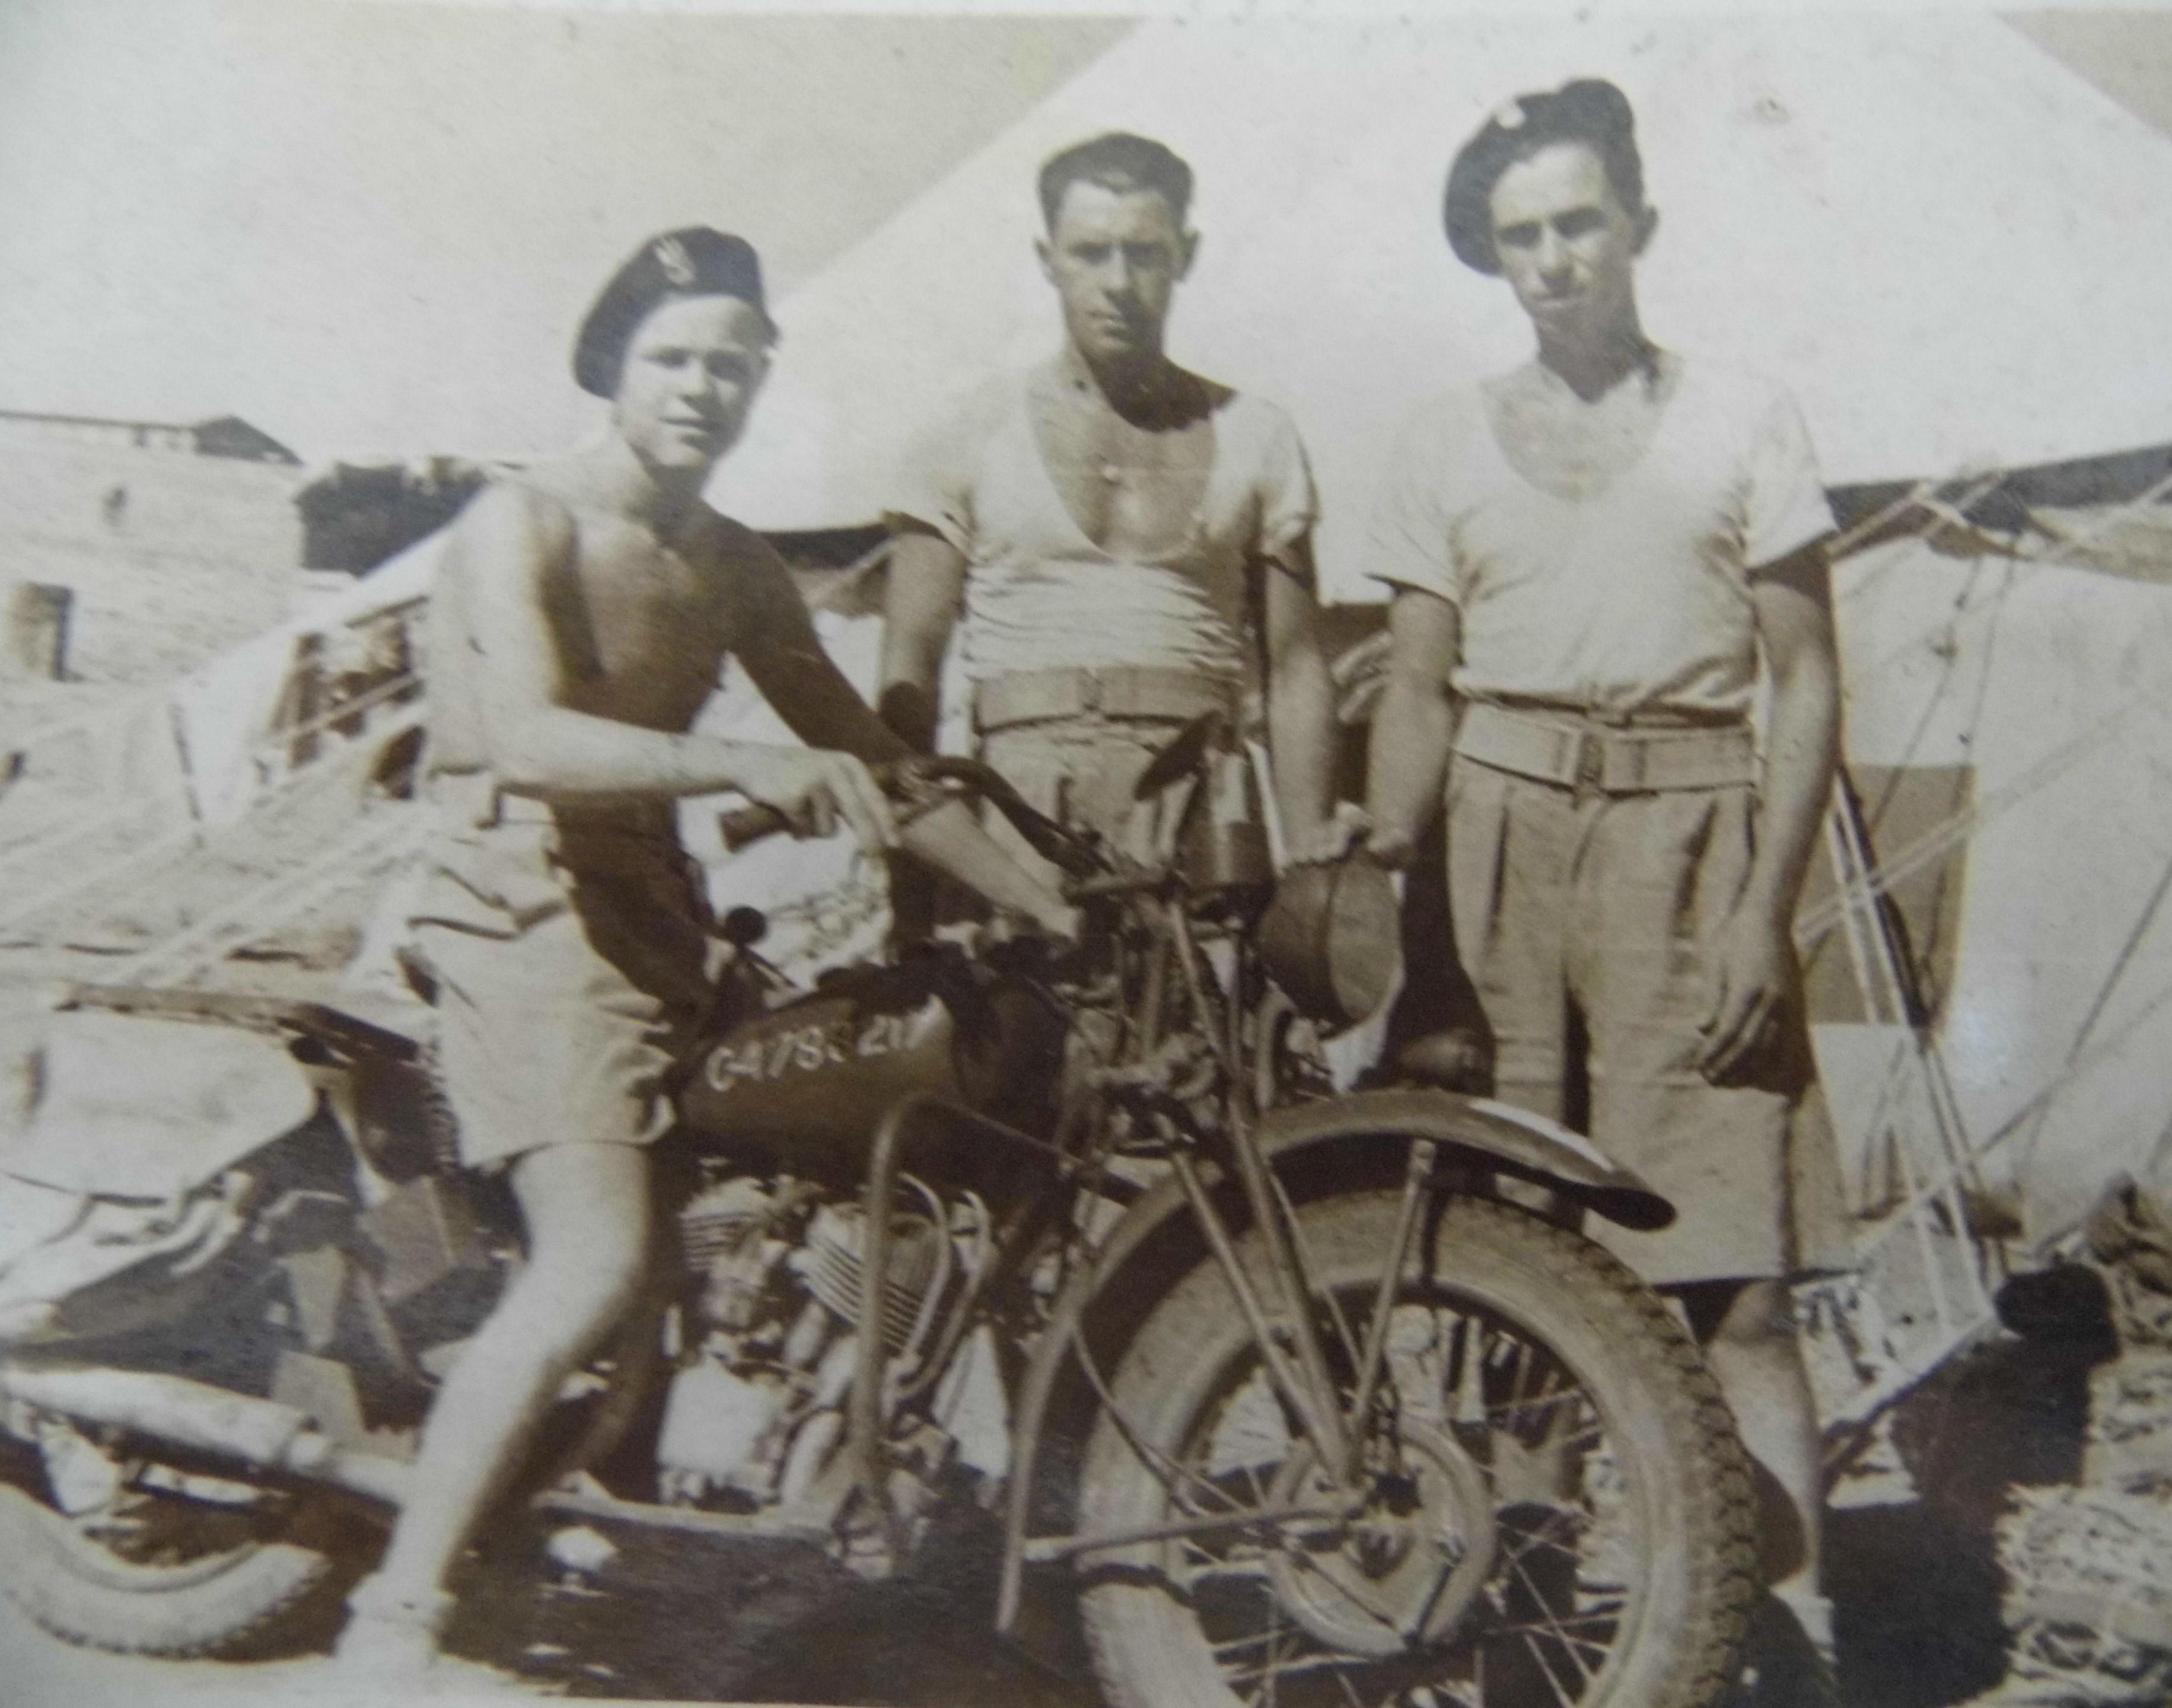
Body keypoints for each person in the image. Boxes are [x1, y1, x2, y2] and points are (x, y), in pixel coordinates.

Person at [335, 227, 1080, 1678]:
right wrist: (732, 760)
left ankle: (631, 1502)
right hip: (519, 914)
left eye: (733, 366)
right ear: (613, 361)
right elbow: (527, 738)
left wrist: (1050, 905)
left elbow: (862, 751)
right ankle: (397, 1609)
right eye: (674, 357)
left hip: (660, 930)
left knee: (767, 1197)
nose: (702, 387)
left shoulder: (730, 560)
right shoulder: (523, 525)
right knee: (600, 1252)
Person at [1361, 81, 1845, 1671]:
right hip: (1498, 855)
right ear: (1493, 255)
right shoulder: (1438, 437)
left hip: (1693, 843)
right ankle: (1533, 1633)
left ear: (1638, 222)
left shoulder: (1745, 416)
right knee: (1512, 1272)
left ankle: (1786, 1643)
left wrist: (1766, 914)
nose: (1555, 257)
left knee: (1739, 1286)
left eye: (1581, 221)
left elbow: (1808, 678)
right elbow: (1420, 692)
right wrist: (1396, 904)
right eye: (1521, 234)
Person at [876, 132, 1345, 878]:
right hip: (1019, 803)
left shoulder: (1258, 434)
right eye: (1090, 252)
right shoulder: (964, 433)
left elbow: (1294, 669)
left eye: (1144, 253)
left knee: (1215, 994)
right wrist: (912, 876)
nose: (1118, 281)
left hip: (1202, 800)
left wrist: (1316, 871)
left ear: (1185, 255)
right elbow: (910, 667)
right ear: (1047, 259)